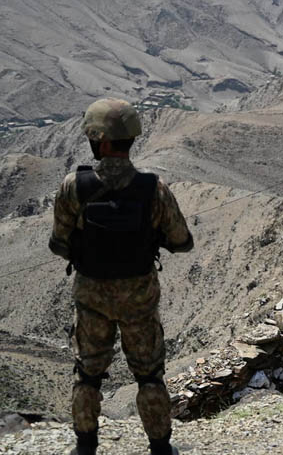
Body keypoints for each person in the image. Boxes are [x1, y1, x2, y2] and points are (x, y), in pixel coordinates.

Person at [49, 98, 193, 455]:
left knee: (88, 374)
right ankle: (160, 448)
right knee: (148, 376)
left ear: (98, 141)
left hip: (91, 295)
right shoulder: (153, 188)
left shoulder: (73, 186)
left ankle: (85, 447)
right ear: (130, 139)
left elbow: (58, 244)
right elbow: (183, 242)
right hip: (140, 296)